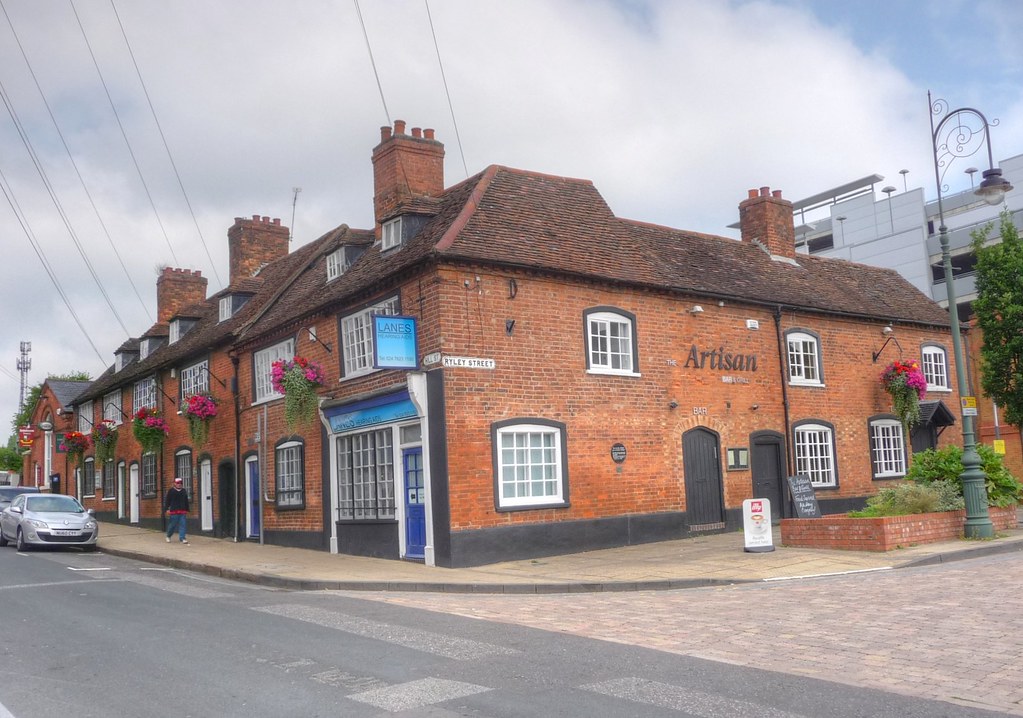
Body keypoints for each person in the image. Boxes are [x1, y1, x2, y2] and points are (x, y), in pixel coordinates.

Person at [164, 477, 190, 544]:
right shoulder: (171, 491)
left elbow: (186, 500)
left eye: (180, 483)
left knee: (183, 525)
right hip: (174, 511)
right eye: (178, 483)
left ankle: (182, 538)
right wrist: (167, 509)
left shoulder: (184, 491)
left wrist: (187, 509)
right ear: (175, 483)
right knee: (172, 525)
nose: (179, 484)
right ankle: (168, 536)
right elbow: (167, 500)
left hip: (182, 511)